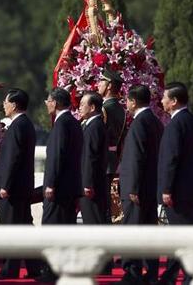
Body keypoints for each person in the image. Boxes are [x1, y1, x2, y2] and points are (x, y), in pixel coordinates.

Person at [0, 88, 41, 280]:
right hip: (20, 188)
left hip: (12, 189)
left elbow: (13, 158)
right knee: (24, 226)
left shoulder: (19, 125)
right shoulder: (24, 124)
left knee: (11, 228)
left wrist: (6, 186)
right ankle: (35, 267)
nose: (3, 105)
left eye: (6, 102)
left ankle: (9, 269)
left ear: (14, 105)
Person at [157, 82, 193, 285]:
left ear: (174, 101)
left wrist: (167, 189)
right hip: (192, 188)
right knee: (181, 234)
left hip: (177, 191)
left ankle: (190, 276)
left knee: (183, 237)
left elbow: (170, 160)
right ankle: (170, 276)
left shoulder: (175, 125)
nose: (161, 101)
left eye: (164, 97)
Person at [116, 85, 163, 285]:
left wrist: (133, 187)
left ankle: (132, 272)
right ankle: (151, 271)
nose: (126, 104)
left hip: (136, 189)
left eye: (127, 100)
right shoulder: (155, 122)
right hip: (151, 186)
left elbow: (136, 158)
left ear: (133, 102)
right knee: (148, 229)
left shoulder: (138, 124)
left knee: (132, 229)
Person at [37, 87, 83, 282]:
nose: (47, 104)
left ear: (55, 103)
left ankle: (51, 271)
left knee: (52, 229)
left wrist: (50, 184)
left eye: (48, 101)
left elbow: (56, 157)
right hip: (70, 187)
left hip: (58, 189)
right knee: (66, 228)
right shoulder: (74, 123)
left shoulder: (61, 124)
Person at [97, 69, 126, 224]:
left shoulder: (104, 109)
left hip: (103, 161)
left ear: (108, 86)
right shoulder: (121, 109)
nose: (98, 84)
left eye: (101, 81)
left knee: (103, 208)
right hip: (113, 160)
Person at [78, 91, 108, 225]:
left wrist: (87, 184)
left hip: (91, 186)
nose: (79, 107)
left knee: (93, 222)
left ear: (92, 107)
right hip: (90, 184)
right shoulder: (91, 125)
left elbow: (91, 157)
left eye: (82, 104)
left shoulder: (94, 127)